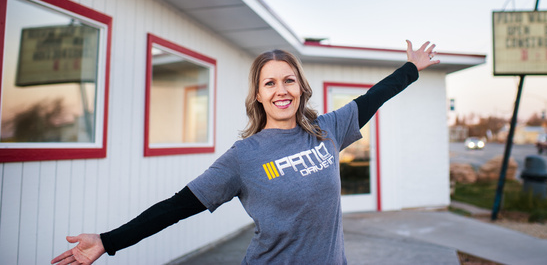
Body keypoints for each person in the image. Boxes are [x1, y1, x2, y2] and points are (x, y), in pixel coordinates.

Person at [52, 40, 439, 265]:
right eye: (270, 83)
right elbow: (175, 207)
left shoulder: (328, 130)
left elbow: (374, 97)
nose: (281, 90)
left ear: (301, 88)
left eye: (289, 80)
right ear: (258, 94)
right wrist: (108, 240)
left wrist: (411, 68)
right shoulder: (243, 157)